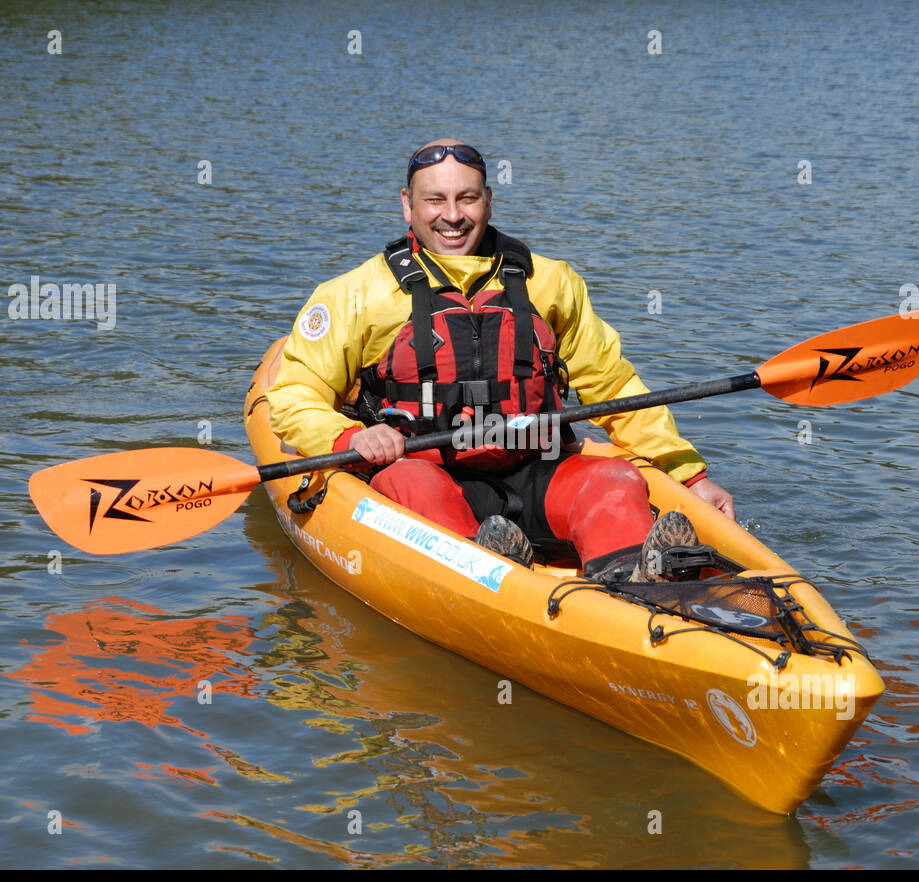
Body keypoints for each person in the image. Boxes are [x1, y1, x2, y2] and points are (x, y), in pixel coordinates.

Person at [267, 138, 735, 581]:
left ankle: (640, 583)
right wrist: (352, 435)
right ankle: (487, 568)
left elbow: (613, 387)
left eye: (466, 198)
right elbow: (292, 395)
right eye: (434, 200)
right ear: (407, 204)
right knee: (412, 481)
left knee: (614, 477)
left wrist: (690, 477)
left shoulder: (549, 282)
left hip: (538, 470)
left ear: (488, 199)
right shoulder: (355, 296)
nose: (452, 216)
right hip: (427, 472)